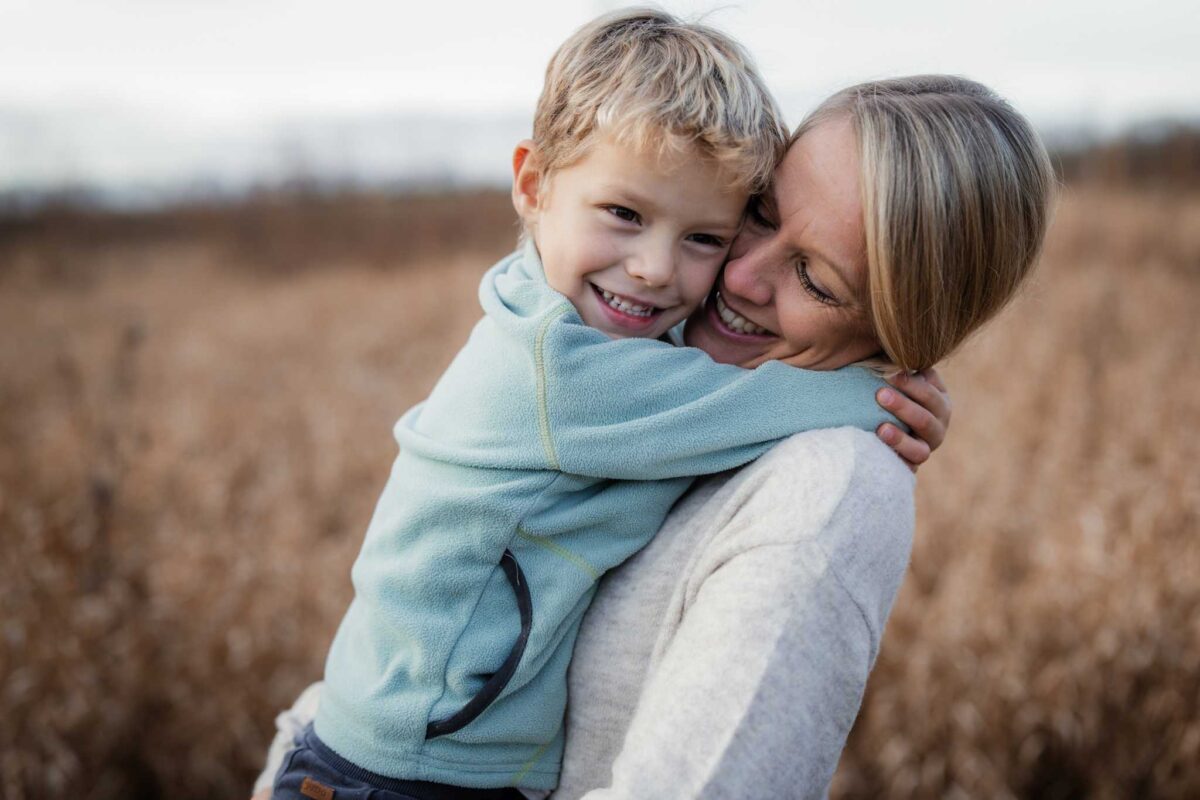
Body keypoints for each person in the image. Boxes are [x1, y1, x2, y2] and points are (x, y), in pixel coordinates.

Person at [266, 11, 940, 800]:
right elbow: (736, 407)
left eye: (704, 238)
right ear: (533, 185)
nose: (654, 269)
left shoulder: (577, 320)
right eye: (625, 215)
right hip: (396, 776)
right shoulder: (558, 368)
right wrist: (880, 395)